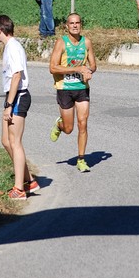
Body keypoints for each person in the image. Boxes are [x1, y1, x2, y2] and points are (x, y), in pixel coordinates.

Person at [0, 14, 39, 199]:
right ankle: (29, 180)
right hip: (12, 97)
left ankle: (19, 189)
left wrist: (9, 105)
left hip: (18, 96)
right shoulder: (10, 47)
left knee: (15, 142)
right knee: (6, 140)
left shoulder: (13, 47)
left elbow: (17, 75)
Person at [49, 13, 97, 172]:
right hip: (64, 89)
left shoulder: (87, 42)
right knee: (68, 129)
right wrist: (77, 68)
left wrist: (89, 71)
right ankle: (59, 124)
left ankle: (81, 159)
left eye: (78, 23)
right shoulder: (61, 43)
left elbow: (93, 65)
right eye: (72, 23)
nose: (75, 25)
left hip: (82, 88)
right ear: (67, 26)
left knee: (83, 124)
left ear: (81, 25)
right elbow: (53, 68)